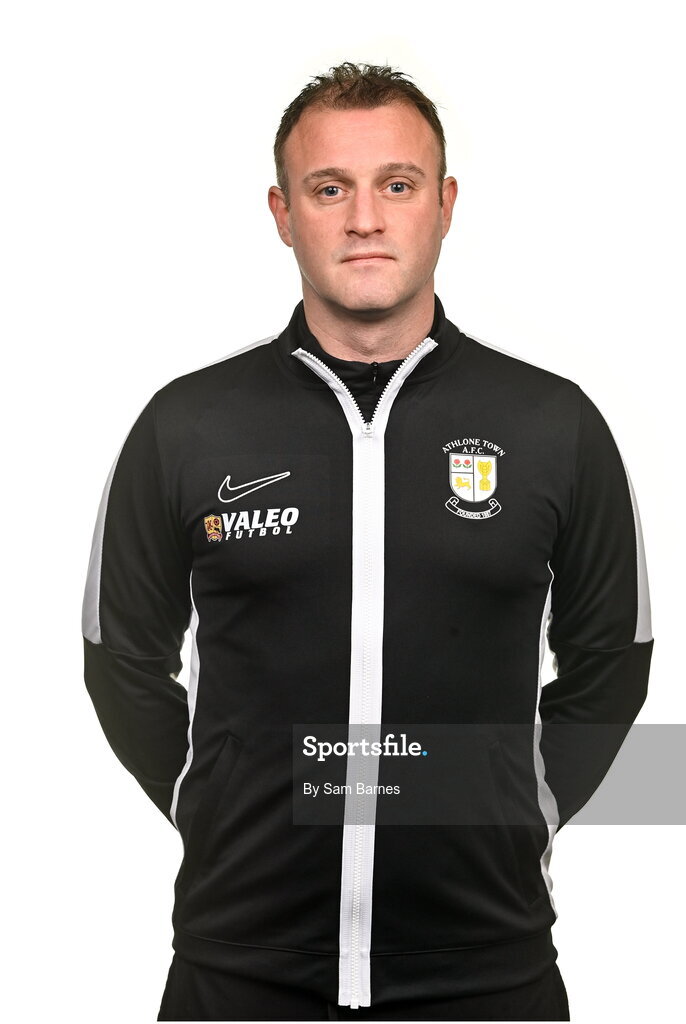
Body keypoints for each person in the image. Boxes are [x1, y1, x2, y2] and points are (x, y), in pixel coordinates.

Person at [81, 62, 653, 1021]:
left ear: (445, 204)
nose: (365, 219)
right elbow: (119, 656)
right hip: (240, 973)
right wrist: (210, 807)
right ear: (282, 211)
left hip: (488, 971)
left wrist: (528, 811)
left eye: (397, 184)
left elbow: (613, 657)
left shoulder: (555, 426)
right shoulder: (188, 427)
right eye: (329, 188)